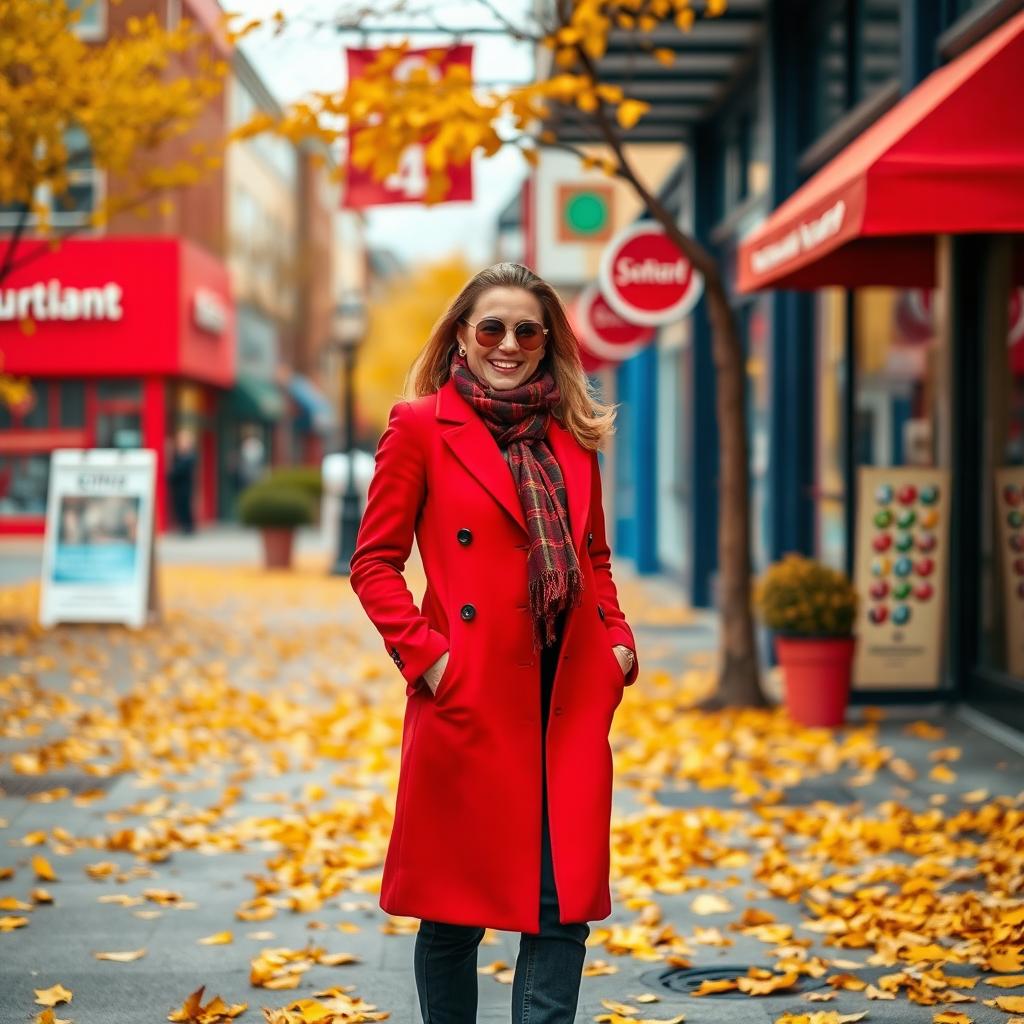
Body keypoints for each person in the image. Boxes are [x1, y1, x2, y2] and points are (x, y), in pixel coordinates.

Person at [349, 262, 638, 1024]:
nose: (508, 344)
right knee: (452, 914)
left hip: (565, 695)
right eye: (491, 328)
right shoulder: (418, 426)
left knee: (560, 906)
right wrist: (430, 657)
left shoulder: (574, 436)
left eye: (526, 330)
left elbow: (594, 559)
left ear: (547, 343)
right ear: (462, 338)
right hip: (471, 695)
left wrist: (617, 644)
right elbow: (373, 564)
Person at [167, 428, 197, 535]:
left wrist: (172, 473)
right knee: (180, 506)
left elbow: (178, 470)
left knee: (185, 506)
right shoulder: (180, 454)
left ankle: (188, 527)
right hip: (178, 486)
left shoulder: (189, 456)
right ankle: (185, 526)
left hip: (185, 486)